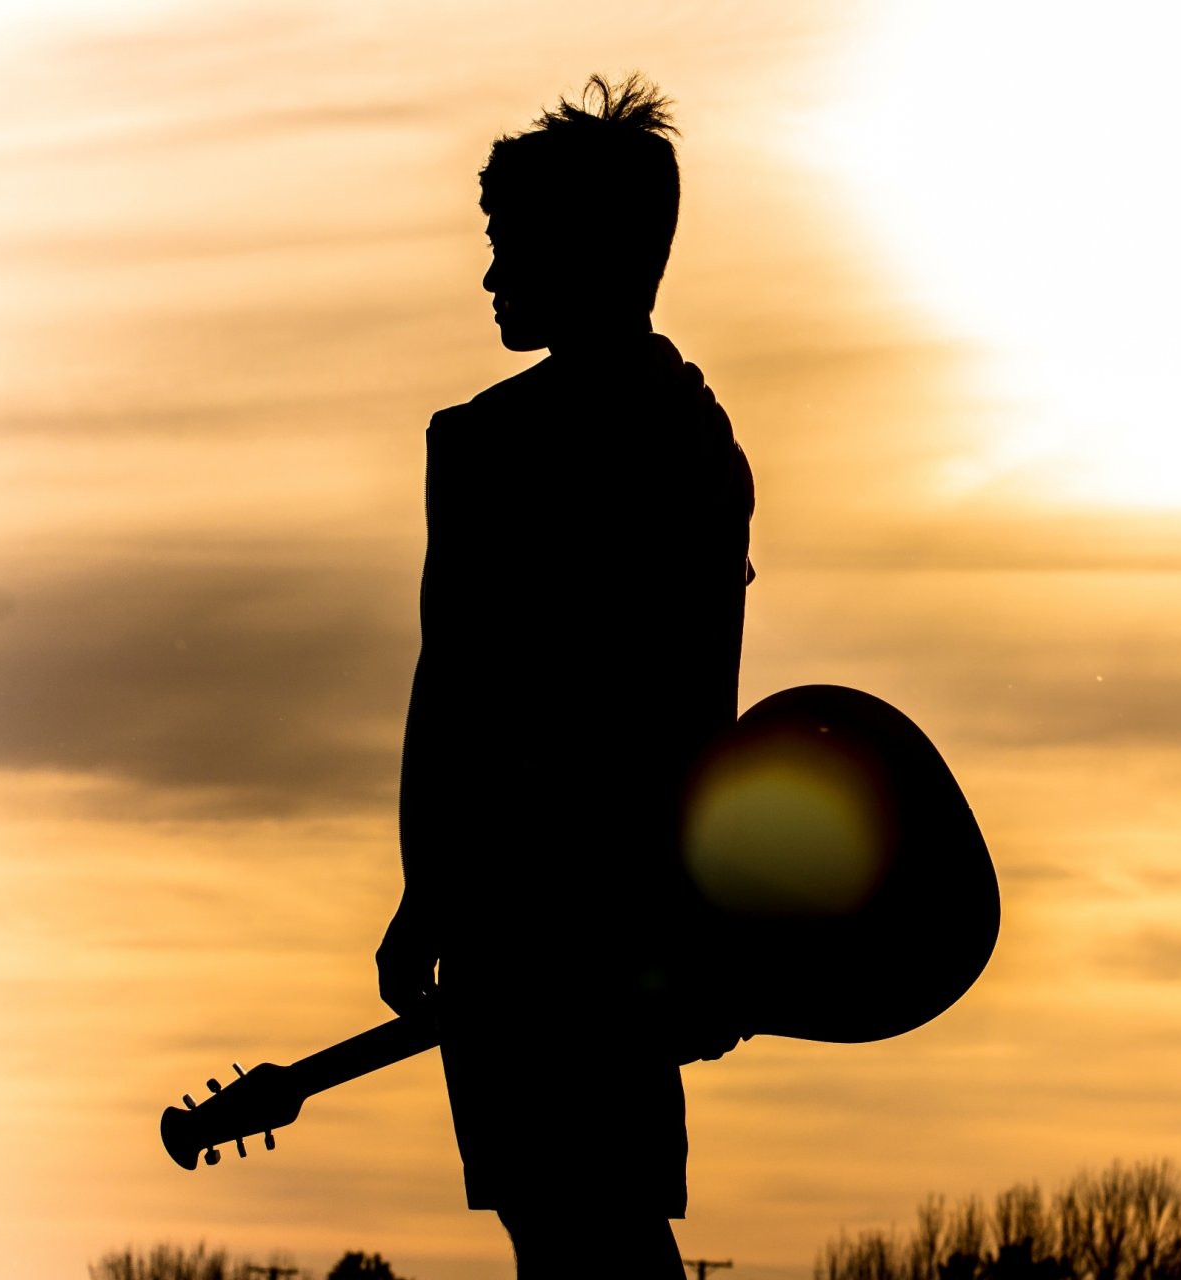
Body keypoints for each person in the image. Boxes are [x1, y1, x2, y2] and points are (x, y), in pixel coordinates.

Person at [374, 73, 755, 1278]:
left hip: (523, 910)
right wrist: (710, 920)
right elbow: (709, 716)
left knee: (567, 1229)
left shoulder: (489, 447)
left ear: (580, 250)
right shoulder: (701, 440)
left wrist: (425, 896)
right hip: (643, 913)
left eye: (508, 246)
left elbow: (458, 693)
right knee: (610, 1226)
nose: (491, 279)